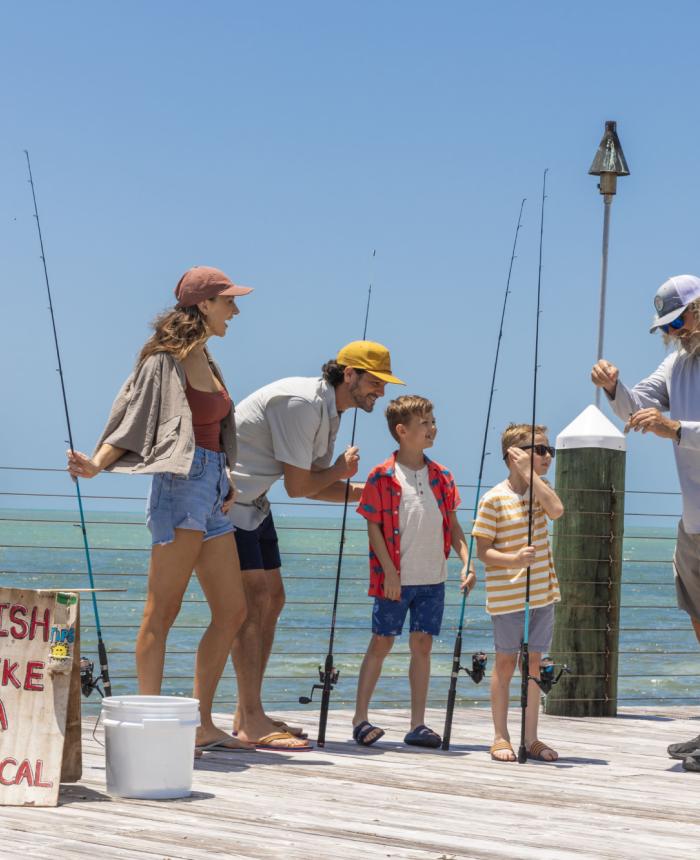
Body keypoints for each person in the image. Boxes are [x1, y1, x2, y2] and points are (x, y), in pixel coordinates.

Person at [67, 266, 253, 752]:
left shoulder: (207, 358)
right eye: (228, 300)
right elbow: (131, 418)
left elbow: (212, 431)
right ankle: (152, 727)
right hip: (180, 488)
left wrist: (226, 476)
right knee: (162, 611)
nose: (236, 309)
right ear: (204, 305)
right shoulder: (165, 360)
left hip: (212, 488)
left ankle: (200, 725)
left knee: (232, 611)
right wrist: (95, 465)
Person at [228, 340, 404, 750]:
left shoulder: (331, 410)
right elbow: (298, 485)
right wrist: (342, 470)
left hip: (255, 501)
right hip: (230, 500)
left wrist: (363, 491)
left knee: (273, 598)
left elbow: (311, 487)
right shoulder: (303, 404)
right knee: (253, 600)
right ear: (350, 375)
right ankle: (250, 719)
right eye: (375, 382)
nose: (381, 392)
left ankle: (248, 710)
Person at [592, 274, 700, 773]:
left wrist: (674, 427)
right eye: (668, 325)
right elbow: (638, 406)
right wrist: (614, 386)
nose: (675, 331)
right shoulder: (677, 360)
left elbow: (666, 423)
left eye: (680, 320)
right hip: (693, 521)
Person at [352, 395, 472, 748]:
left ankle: (417, 724)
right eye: (425, 423)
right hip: (395, 579)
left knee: (423, 646)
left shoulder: (442, 476)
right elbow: (373, 527)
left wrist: (466, 560)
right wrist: (390, 572)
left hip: (433, 579)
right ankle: (360, 718)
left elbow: (453, 525)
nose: (433, 428)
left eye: (433, 421)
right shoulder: (381, 476)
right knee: (382, 642)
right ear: (402, 431)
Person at [471, 422, 563, 763]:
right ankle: (500, 735)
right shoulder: (494, 498)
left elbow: (557, 510)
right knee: (506, 663)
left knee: (535, 664)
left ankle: (532, 737)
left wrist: (533, 476)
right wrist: (514, 559)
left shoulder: (542, 491)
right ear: (514, 454)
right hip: (507, 597)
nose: (547, 456)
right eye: (539, 450)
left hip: (542, 594)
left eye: (549, 450)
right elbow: (483, 550)